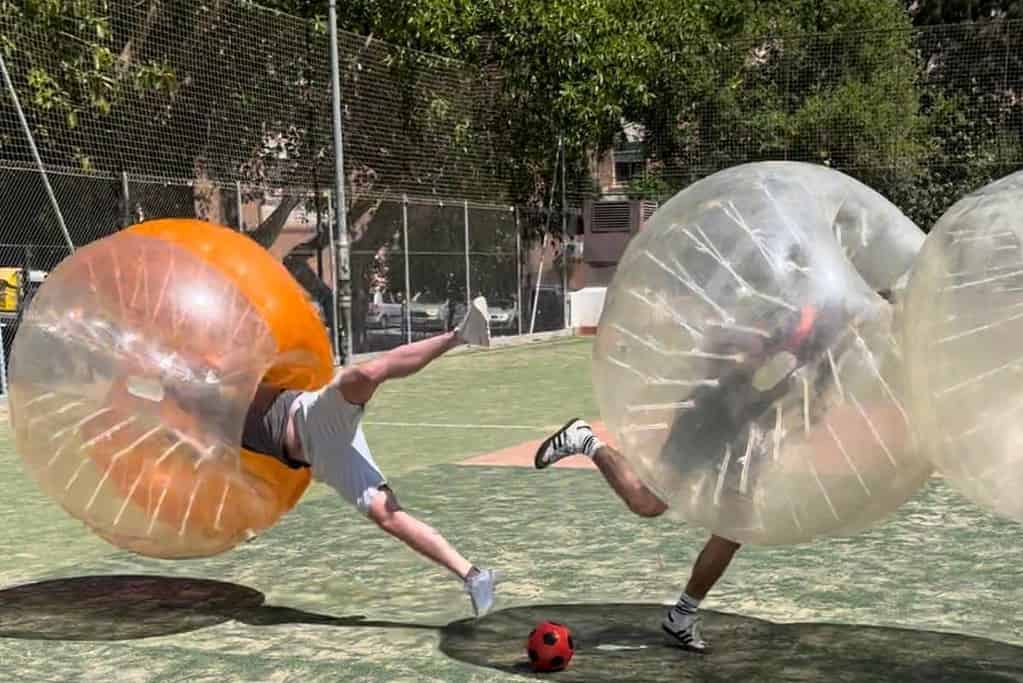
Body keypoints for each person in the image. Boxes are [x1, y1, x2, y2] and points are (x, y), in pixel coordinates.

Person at [534, 293, 892, 652]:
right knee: (653, 503)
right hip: (718, 412)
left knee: (730, 524)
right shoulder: (797, 311)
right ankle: (586, 440)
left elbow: (812, 390)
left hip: (748, 425)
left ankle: (682, 616)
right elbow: (738, 351)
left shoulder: (835, 334)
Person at [241, 296, 500, 617]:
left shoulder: (236, 382)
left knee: (367, 374)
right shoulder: (215, 430)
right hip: (326, 459)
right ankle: (474, 575)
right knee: (388, 516)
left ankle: (461, 335)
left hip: (315, 415)